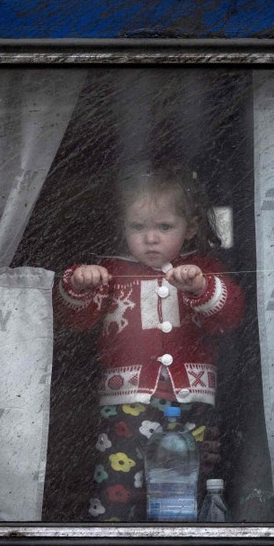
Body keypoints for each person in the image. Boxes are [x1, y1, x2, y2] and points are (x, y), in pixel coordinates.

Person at [55, 161, 244, 521]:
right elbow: (75, 319)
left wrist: (202, 288)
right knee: (119, 482)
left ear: (189, 229)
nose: (151, 237)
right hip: (127, 401)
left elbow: (229, 317)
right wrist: (78, 284)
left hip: (193, 400)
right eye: (138, 227)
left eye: (164, 227)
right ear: (123, 227)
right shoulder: (110, 271)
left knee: (188, 485)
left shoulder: (203, 269)